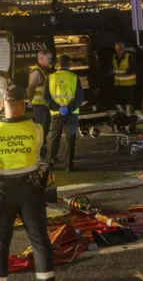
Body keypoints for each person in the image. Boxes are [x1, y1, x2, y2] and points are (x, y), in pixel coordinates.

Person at [0, 85, 55, 281]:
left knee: (1, 242)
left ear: (2, 104)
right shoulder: (36, 129)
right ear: (24, 104)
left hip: (2, 192)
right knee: (39, 241)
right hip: (30, 190)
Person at [44, 55, 84, 172]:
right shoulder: (74, 77)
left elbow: (45, 97)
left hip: (56, 114)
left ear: (57, 64)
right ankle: (69, 165)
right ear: (69, 65)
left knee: (54, 137)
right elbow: (80, 98)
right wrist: (69, 108)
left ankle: (50, 163)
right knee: (70, 139)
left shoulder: (50, 78)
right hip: (72, 114)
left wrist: (57, 107)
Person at [26, 50, 53, 156]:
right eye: (48, 59)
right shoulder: (37, 72)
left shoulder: (44, 70)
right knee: (41, 130)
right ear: (41, 59)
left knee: (44, 130)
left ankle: (42, 152)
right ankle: (40, 154)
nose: (50, 61)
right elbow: (30, 89)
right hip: (39, 105)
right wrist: (31, 100)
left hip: (44, 105)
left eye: (51, 58)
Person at [112, 42, 137, 116]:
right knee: (119, 101)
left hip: (129, 83)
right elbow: (114, 68)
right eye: (118, 49)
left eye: (122, 49)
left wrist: (128, 71)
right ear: (115, 49)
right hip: (118, 83)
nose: (120, 51)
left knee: (128, 102)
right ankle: (123, 115)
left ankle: (128, 116)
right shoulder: (114, 57)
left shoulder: (129, 57)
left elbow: (134, 68)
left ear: (124, 49)